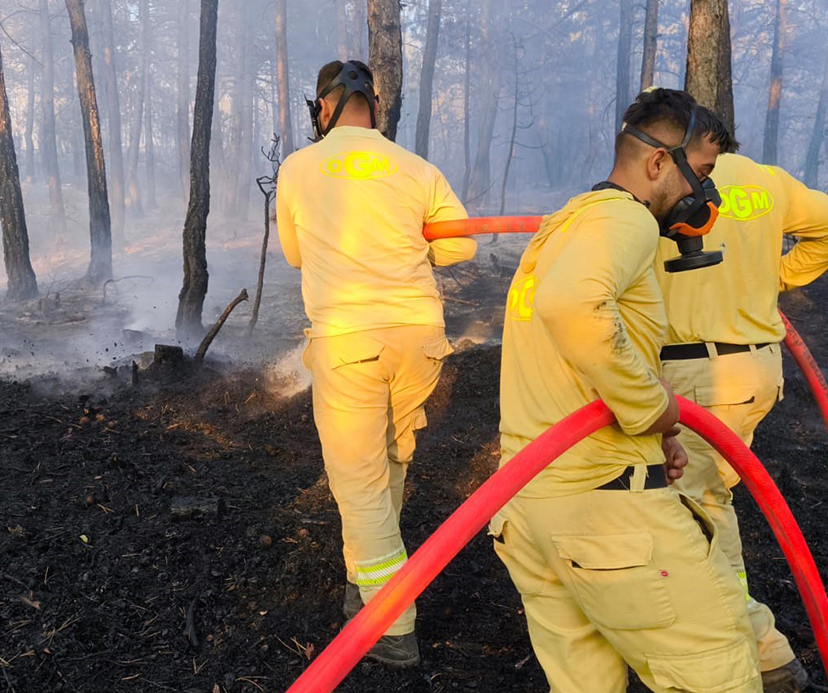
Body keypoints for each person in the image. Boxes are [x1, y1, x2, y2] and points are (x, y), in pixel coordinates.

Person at [492, 88, 762, 692]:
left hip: (532, 504)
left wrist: (657, 432)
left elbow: (577, 337)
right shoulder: (626, 220)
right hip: (606, 515)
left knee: (586, 683)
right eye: (704, 173)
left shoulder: (570, 222)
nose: (705, 196)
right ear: (660, 162)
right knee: (719, 666)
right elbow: (572, 307)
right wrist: (652, 410)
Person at [275, 59, 476, 668]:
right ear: (375, 108)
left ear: (322, 109)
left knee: (357, 481)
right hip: (419, 338)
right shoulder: (414, 166)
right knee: (386, 462)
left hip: (349, 341)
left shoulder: (299, 167)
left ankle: (392, 624)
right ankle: (361, 581)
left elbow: (291, 253)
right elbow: (461, 242)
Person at [656, 142, 828, 692]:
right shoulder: (765, 179)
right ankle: (744, 639)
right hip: (755, 371)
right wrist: (774, 278)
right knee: (710, 501)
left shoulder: (657, 181)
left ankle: (763, 655)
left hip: (693, 371)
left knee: (687, 513)